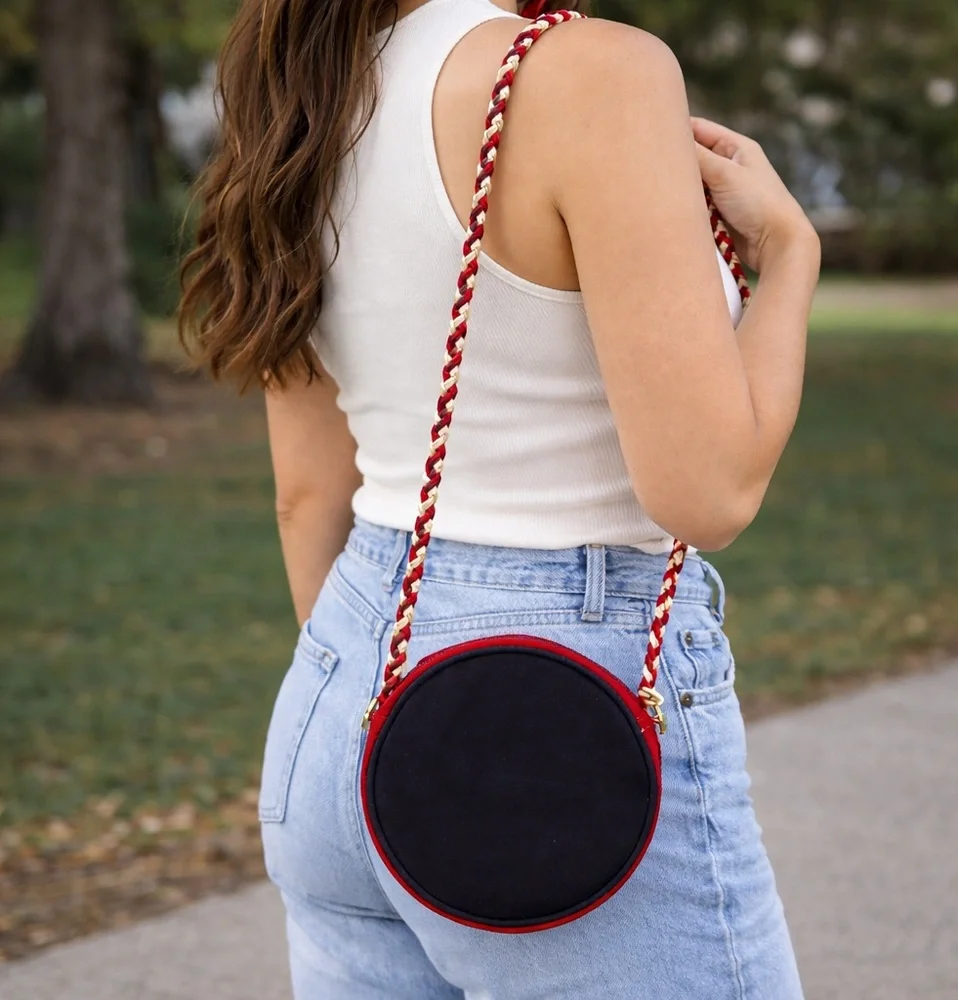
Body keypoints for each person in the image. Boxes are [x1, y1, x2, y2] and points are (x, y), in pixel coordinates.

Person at [179, 1, 820, 997]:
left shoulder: (306, 93)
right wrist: (789, 258)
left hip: (342, 711)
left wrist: (406, 728)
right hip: (554, 713)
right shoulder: (588, 73)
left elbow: (308, 496)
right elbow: (709, 491)